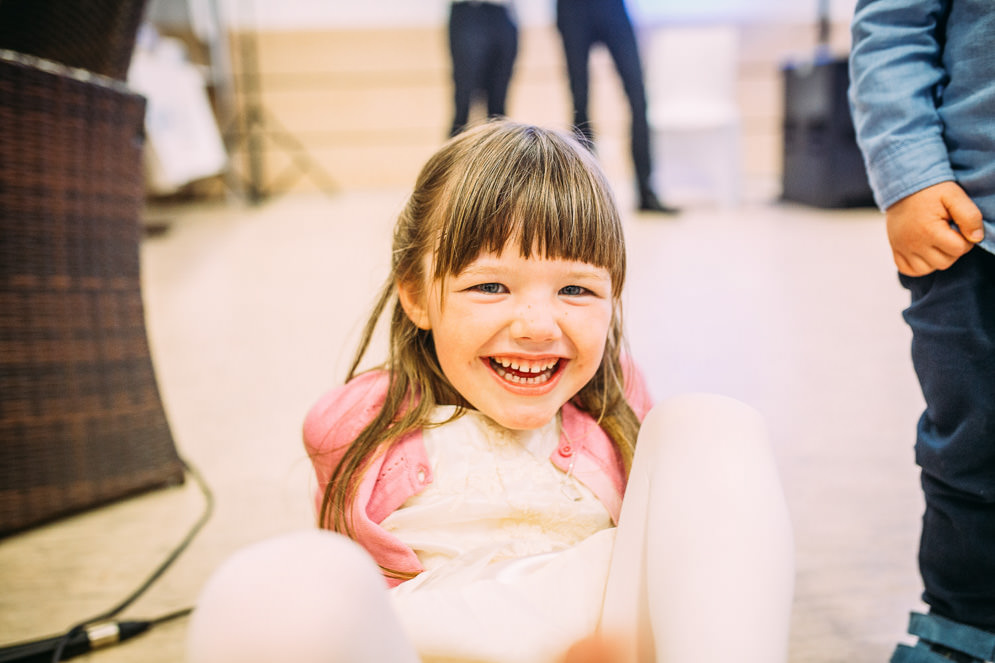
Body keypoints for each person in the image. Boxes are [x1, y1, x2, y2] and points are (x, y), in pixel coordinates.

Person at [187, 121, 793, 663]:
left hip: (597, 630)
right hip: (431, 634)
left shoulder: (615, 402)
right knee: (265, 586)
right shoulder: (359, 418)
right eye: (491, 287)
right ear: (418, 295)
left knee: (712, 422)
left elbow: (697, 547)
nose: (536, 325)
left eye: (576, 291)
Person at [848, 2, 995, 661]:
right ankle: (962, 634)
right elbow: (892, 24)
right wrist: (908, 173)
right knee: (969, 448)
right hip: (970, 228)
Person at [555, 0, 676, 214]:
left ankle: (646, 191)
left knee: (638, 98)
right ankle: (583, 196)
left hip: (612, 7)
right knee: (580, 101)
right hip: (572, 9)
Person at [447, 0, 518, 137]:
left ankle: (500, 156)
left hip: (504, 12)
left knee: (498, 113)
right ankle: (452, 157)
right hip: (470, 12)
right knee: (463, 106)